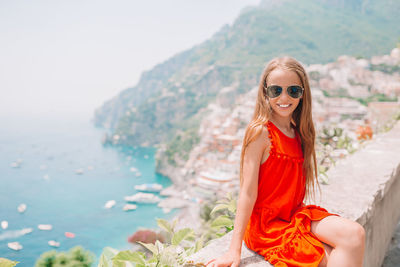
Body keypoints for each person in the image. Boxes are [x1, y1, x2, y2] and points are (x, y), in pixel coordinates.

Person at [206, 57, 365, 267]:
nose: (284, 97)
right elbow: (247, 192)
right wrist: (234, 251)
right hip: (267, 226)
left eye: (293, 91)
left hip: (294, 215)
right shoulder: (260, 132)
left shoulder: (299, 132)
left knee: (355, 234)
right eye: (275, 90)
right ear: (265, 93)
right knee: (328, 256)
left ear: (302, 93)